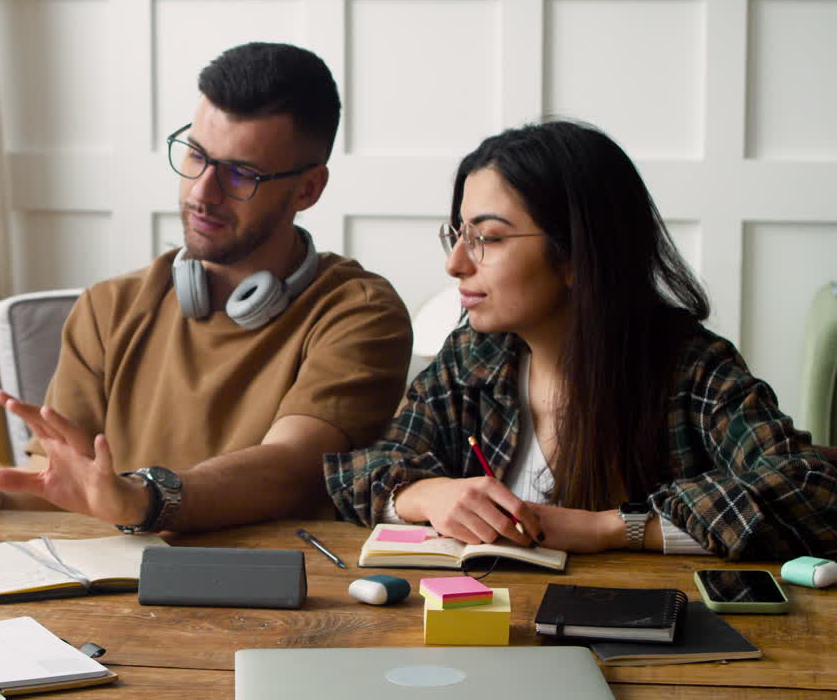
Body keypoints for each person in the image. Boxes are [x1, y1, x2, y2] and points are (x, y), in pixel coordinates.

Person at [0, 42, 412, 533]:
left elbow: (291, 469)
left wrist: (142, 500)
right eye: (196, 154)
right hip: (121, 605)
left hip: (287, 599)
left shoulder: (360, 313)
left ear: (308, 189)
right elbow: (63, 492)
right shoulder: (108, 308)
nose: (202, 191)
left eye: (241, 173)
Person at [326, 119, 837, 560]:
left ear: (576, 255)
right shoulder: (472, 361)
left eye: (489, 238)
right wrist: (429, 495)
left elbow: (812, 490)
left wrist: (608, 528)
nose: (455, 263)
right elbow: (361, 471)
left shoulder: (690, 369)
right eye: (458, 233)